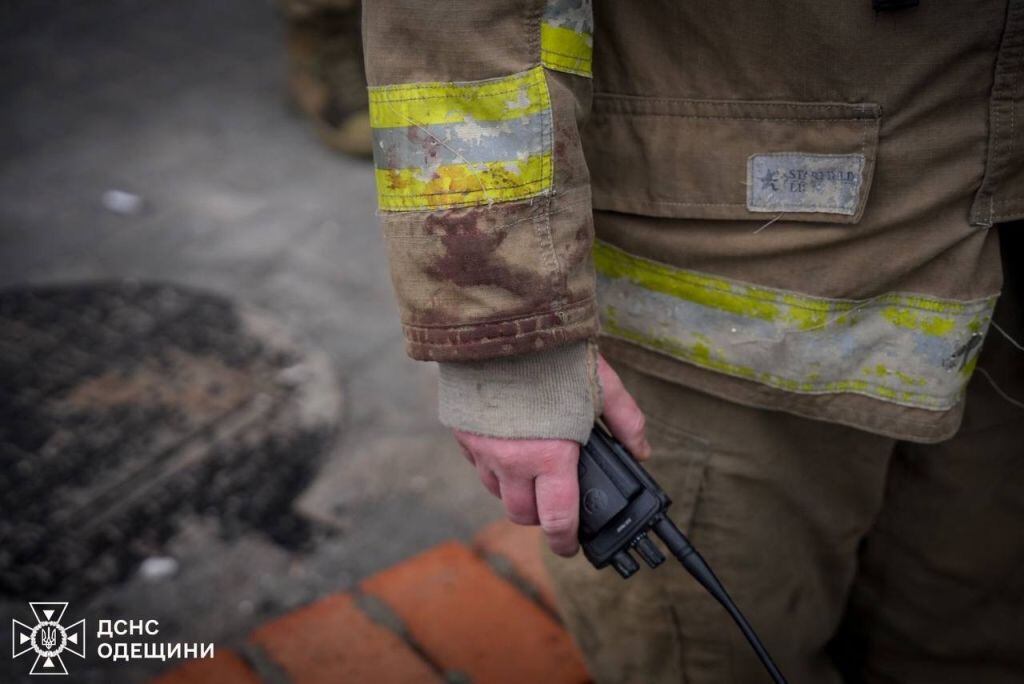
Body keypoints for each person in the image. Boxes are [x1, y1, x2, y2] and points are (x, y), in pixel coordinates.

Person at [362, 1, 1024, 681]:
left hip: (996, 281)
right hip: (711, 303)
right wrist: (509, 340)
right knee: (712, 658)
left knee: (964, 637)